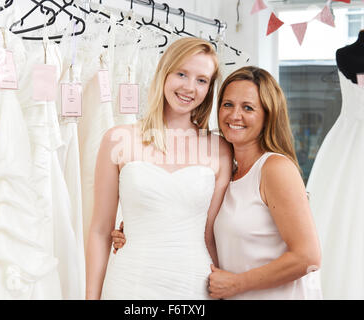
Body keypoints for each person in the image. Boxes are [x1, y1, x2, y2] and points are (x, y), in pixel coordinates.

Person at [112, 66, 323, 300]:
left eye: (248, 108)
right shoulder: (227, 172)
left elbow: (308, 257)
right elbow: (199, 227)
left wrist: (237, 284)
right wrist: (136, 230)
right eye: (228, 104)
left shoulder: (274, 168)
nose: (234, 115)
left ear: (268, 115)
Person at [85, 37, 233, 300]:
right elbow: (99, 231)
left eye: (202, 80)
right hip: (129, 283)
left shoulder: (220, 149)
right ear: (164, 73)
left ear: (209, 89)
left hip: (193, 285)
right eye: (182, 74)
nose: (190, 87)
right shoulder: (119, 138)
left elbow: (211, 234)